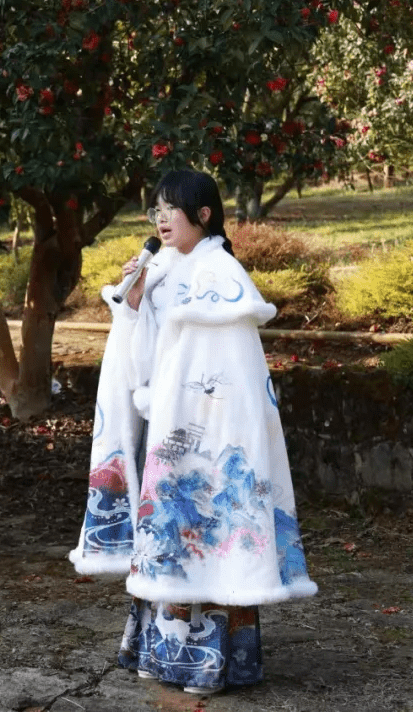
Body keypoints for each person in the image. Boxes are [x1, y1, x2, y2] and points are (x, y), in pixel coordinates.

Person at [69, 167, 317, 694]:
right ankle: (163, 656)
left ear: (203, 215)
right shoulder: (161, 267)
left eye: (172, 208)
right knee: (170, 536)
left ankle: (208, 664)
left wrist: (187, 416)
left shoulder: (220, 274)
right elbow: (144, 351)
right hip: (169, 420)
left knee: (209, 531)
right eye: (156, 209)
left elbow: (225, 373)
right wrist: (133, 304)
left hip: (207, 430)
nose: (161, 218)